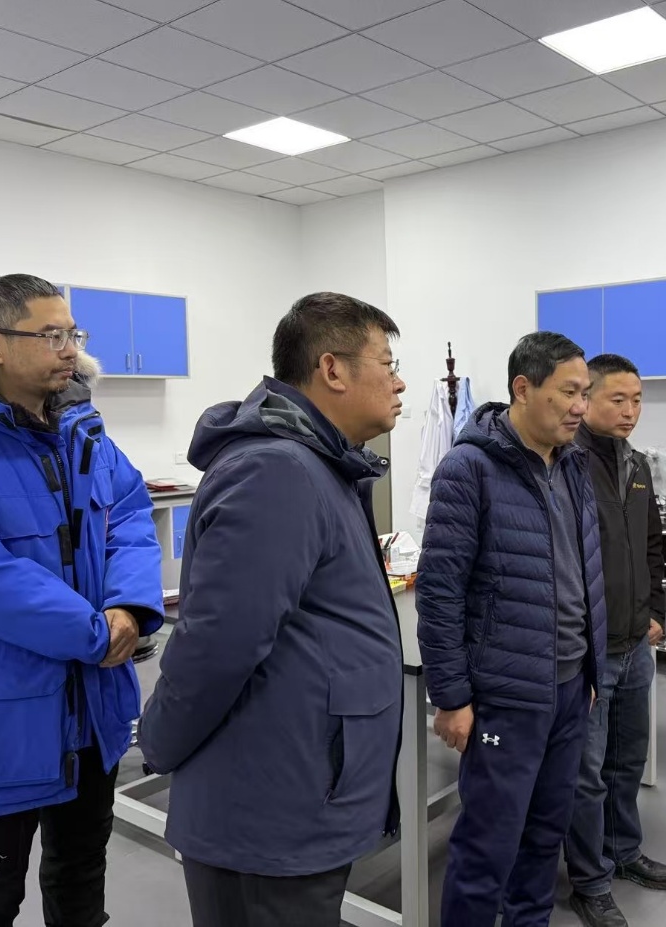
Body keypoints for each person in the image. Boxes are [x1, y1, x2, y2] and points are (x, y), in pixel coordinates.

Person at [0, 274, 164, 926]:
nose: (70, 349)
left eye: (73, 333)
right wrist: (95, 633)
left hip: (90, 712)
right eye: (50, 335)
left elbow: (128, 513)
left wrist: (128, 605)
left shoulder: (83, 430)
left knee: (81, 880)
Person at [138, 292, 406, 927]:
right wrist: (158, 743)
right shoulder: (277, 472)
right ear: (332, 369)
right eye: (388, 364)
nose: (399, 383)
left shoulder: (321, 466)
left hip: (298, 789)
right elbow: (216, 646)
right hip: (267, 812)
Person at [418, 331, 607, 927]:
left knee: (545, 832)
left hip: (570, 686)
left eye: (585, 393)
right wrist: (452, 698)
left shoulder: (572, 463)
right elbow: (441, 593)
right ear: (523, 389)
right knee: (487, 842)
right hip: (506, 695)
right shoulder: (468, 469)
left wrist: (592, 669)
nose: (581, 407)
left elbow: (583, 571)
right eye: (569, 392)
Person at [564, 354, 666, 927]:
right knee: (586, 772)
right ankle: (589, 880)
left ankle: (622, 851)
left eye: (637, 400)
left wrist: (655, 610)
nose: (630, 411)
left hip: (635, 644)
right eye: (618, 399)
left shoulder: (636, 464)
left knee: (627, 760)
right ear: (586, 398)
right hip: (589, 651)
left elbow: (652, 543)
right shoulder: (567, 463)